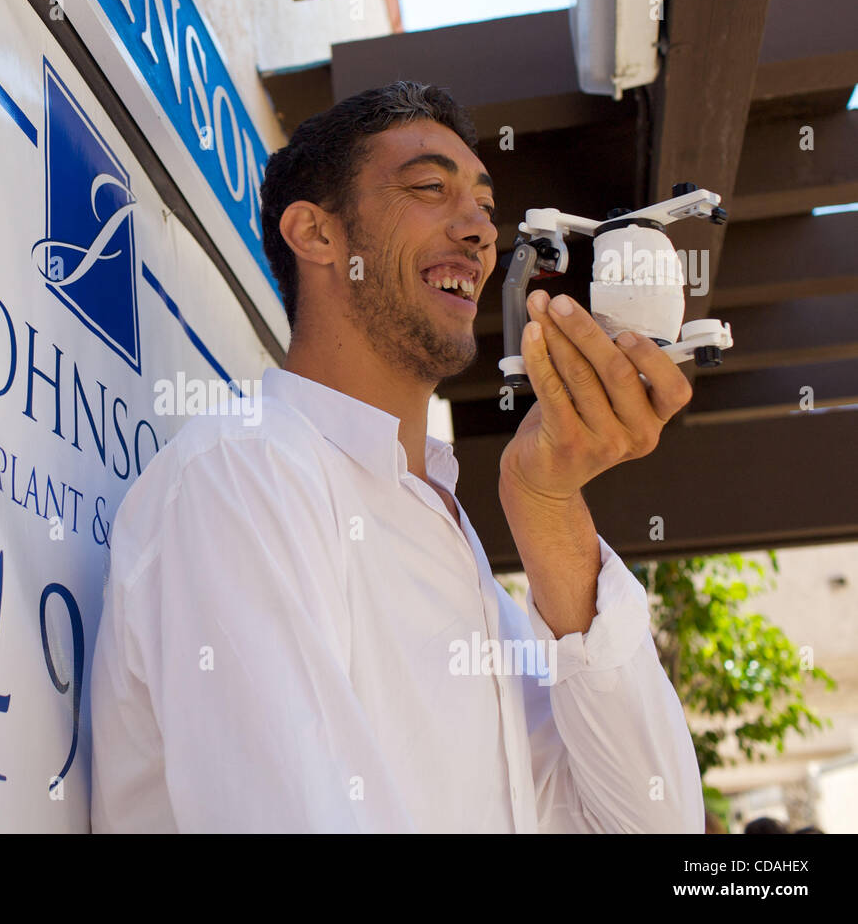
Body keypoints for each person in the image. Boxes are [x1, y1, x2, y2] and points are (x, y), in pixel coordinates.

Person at [88, 81, 704, 833]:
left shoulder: (451, 543)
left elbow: (653, 823)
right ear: (317, 235)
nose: (480, 230)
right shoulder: (243, 474)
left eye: (484, 205)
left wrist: (546, 509)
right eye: (428, 188)